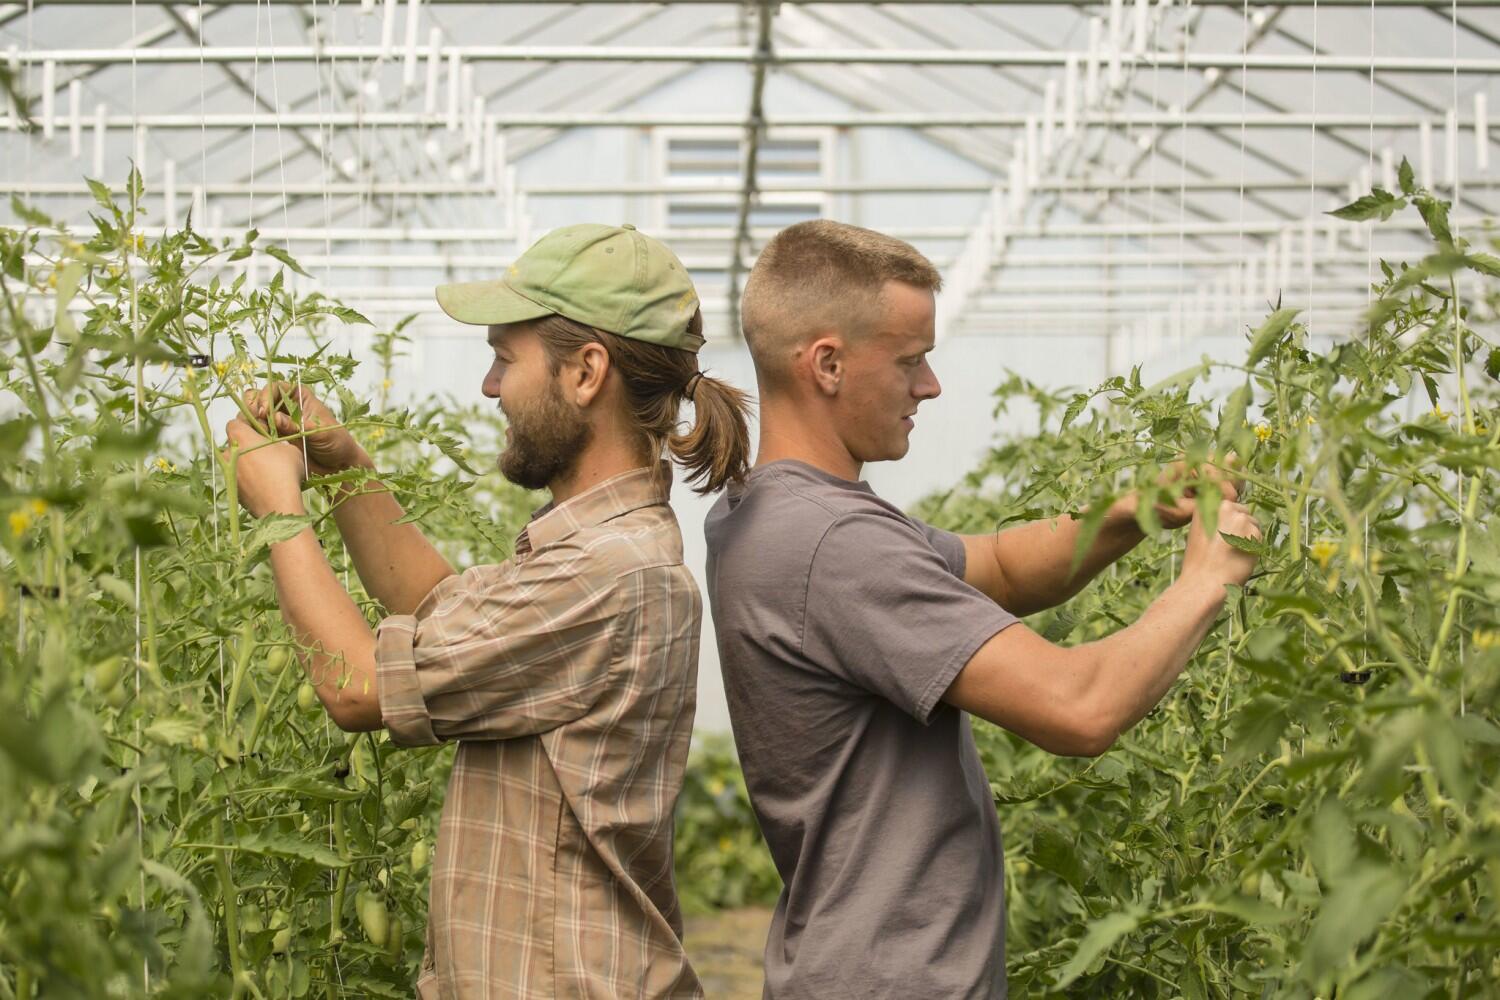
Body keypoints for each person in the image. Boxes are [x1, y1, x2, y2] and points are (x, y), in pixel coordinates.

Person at [703, 219, 1260, 998]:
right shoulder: (831, 544)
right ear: (826, 363)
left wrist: (1134, 511)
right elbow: (1079, 707)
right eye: (909, 361)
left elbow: (996, 567)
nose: (929, 386)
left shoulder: (775, 512)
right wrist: (1206, 578)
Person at [224, 222, 751, 998]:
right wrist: (345, 467)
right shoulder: (593, 552)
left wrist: (279, 506)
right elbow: (437, 611)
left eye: (506, 358)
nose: (490, 387)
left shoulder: (609, 572)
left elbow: (357, 685)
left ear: (586, 372)